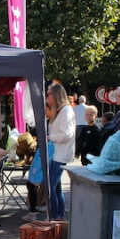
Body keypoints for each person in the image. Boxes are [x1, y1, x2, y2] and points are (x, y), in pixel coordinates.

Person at [44, 83, 75, 220]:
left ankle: (54, 216)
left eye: (48, 94)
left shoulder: (66, 111)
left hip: (61, 154)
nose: (47, 97)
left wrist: (50, 137)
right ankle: (59, 216)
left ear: (56, 94)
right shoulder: (60, 111)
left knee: (51, 187)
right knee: (56, 187)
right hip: (55, 153)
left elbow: (67, 134)